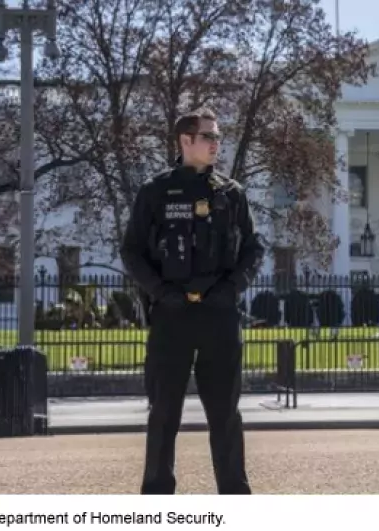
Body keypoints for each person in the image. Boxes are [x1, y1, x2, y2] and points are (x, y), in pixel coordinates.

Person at [120, 108, 264, 495]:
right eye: (208, 136)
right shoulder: (155, 191)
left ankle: (235, 496)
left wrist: (231, 290)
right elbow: (132, 251)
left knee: (225, 415)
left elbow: (253, 249)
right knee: (164, 412)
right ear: (185, 141)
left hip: (219, 315)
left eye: (218, 136)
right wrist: (161, 293)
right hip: (172, 315)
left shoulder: (232, 194)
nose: (216, 143)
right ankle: (156, 495)